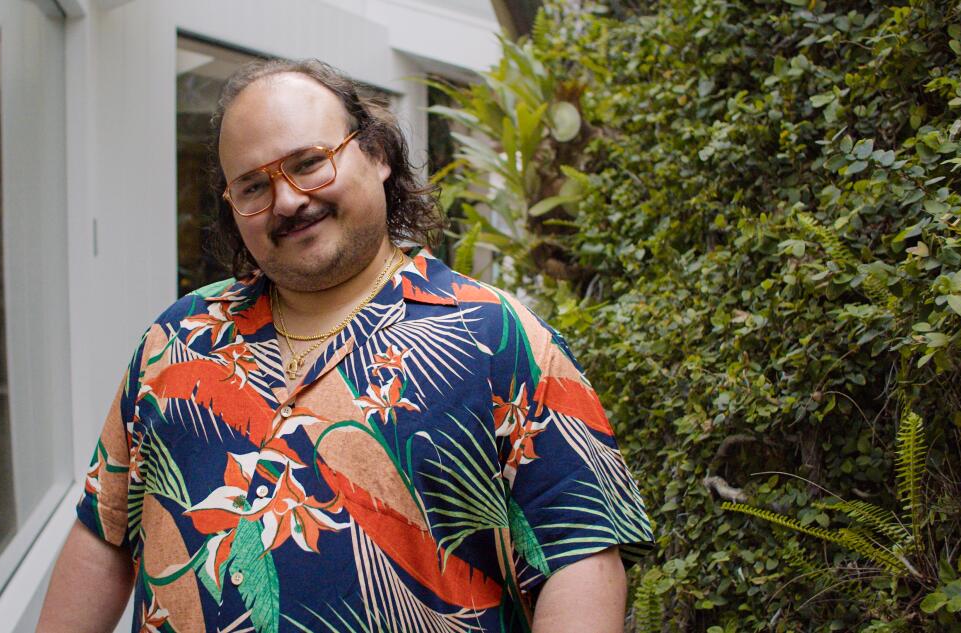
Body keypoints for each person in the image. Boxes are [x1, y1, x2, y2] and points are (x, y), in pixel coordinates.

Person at [37, 59, 653, 633]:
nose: (287, 200)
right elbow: (104, 531)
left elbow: (582, 557)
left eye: (308, 162)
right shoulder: (175, 339)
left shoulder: (497, 338)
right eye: (253, 186)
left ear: (378, 154)